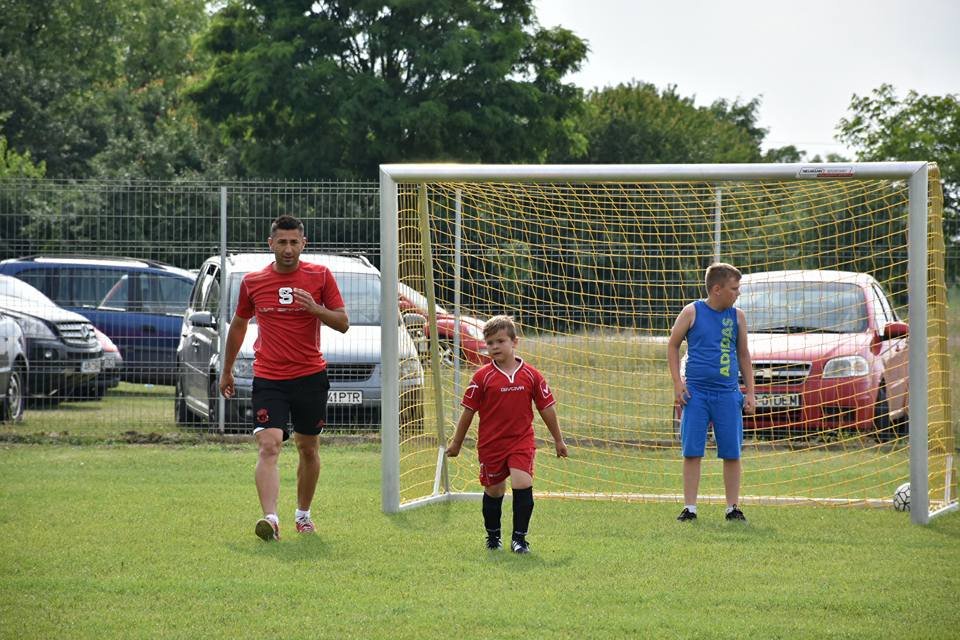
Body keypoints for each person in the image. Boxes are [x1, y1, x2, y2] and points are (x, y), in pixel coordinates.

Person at [219, 214, 350, 541]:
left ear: (304, 243)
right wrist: (227, 369)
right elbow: (238, 326)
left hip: (310, 376)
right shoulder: (253, 282)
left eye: (294, 242)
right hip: (269, 377)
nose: (288, 249)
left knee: (308, 447)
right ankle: (271, 519)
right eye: (282, 242)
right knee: (269, 444)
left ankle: (303, 515)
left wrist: (316, 309)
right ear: (271, 244)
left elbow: (343, 322)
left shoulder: (320, 276)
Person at [446, 315, 568, 554]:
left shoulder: (532, 375)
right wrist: (456, 444)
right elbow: (468, 412)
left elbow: (546, 408)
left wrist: (558, 439)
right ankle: (493, 536)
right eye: (489, 342)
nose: (494, 347)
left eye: (500, 341)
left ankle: (520, 540)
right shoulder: (482, 377)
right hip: (491, 445)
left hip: (521, 441)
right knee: (495, 490)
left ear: (515, 342)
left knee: (523, 482)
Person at [667, 262, 756, 522]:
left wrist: (749, 392)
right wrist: (677, 382)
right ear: (717, 289)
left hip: (728, 394)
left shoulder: (737, 316)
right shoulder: (692, 312)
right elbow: (672, 346)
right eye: (733, 288)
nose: (737, 293)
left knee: (731, 452)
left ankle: (732, 507)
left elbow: (743, 354)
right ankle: (690, 508)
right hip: (696, 394)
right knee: (692, 451)